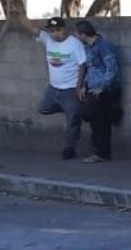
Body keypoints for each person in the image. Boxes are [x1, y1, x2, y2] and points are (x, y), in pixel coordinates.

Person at [21, 16, 88, 159]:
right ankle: (70, 109)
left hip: (69, 88)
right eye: (52, 31)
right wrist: (19, 15)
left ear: (65, 29)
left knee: (73, 121)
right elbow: (32, 29)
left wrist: (78, 86)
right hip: (53, 87)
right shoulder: (48, 40)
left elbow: (82, 65)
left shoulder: (74, 44)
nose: (55, 34)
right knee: (43, 108)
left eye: (58, 30)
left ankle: (70, 148)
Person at [75, 21, 120, 164]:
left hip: (103, 90)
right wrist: (85, 85)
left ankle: (101, 153)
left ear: (83, 34)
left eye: (79, 35)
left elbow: (112, 68)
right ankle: (99, 151)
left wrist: (104, 87)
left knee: (100, 122)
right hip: (93, 88)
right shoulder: (89, 48)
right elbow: (90, 68)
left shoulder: (104, 46)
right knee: (92, 118)